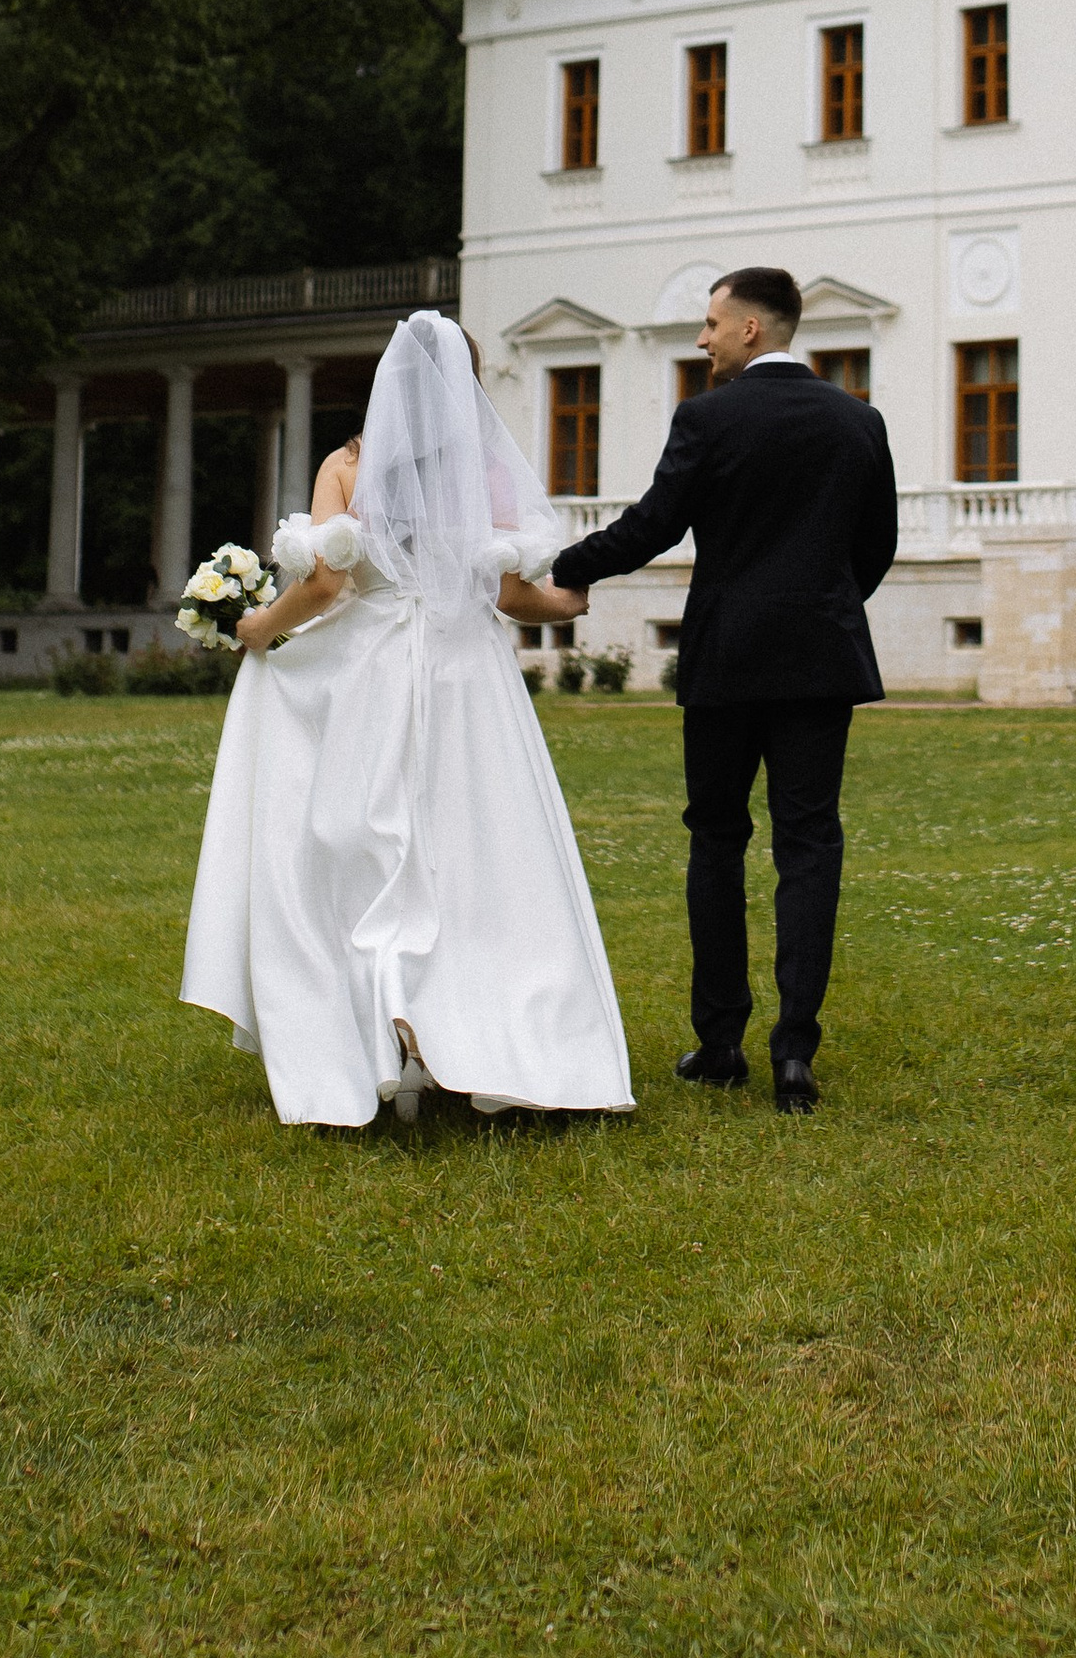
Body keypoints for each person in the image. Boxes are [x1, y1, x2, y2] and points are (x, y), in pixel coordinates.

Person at [179, 308, 629, 1130]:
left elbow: (325, 586)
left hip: (373, 672)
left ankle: (374, 1031)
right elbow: (511, 595)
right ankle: (485, 1035)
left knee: (360, 843)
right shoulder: (482, 477)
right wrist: (575, 594)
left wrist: (254, 628)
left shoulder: (348, 468)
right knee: (474, 850)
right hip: (466, 675)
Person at [546, 265, 896, 1114]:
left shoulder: (707, 417)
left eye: (709, 324)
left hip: (727, 661)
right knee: (809, 844)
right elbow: (875, 546)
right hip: (820, 660)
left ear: (750, 330)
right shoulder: (859, 420)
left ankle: (720, 1042)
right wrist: (823, 605)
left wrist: (561, 567)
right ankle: (796, 1054)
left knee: (716, 838)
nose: (701, 339)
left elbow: (652, 526)